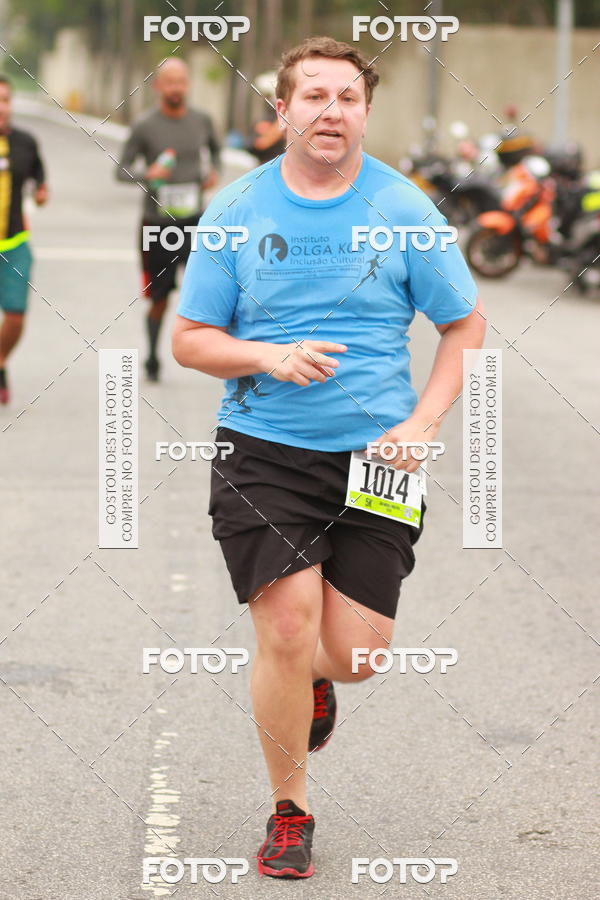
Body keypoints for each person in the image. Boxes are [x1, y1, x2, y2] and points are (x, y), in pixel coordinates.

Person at [172, 36, 485, 879]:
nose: (330, 111)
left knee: (357, 657)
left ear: (365, 112)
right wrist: (266, 357)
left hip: (379, 455)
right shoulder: (238, 208)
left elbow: (466, 327)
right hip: (265, 447)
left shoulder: (408, 209)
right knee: (284, 626)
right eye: (313, 96)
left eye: (346, 97)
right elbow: (191, 341)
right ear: (282, 110)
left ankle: (312, 677)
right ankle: (289, 811)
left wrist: (424, 421)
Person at [116, 58, 221, 381]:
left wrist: (212, 171)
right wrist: (147, 174)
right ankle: (152, 356)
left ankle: (219, 358)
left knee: (209, 290)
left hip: (194, 221)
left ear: (187, 84)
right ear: (157, 85)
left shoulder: (202, 120)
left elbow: (216, 150)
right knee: (160, 297)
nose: (176, 88)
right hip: (156, 224)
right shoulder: (145, 124)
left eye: (181, 81)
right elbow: (120, 170)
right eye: (169, 81)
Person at [0, 74, 48, 404]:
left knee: (15, 316)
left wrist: (42, 194)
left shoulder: (25, 142)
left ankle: (0, 360)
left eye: (5, 99)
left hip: (14, 243)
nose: (1, 107)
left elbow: (40, 182)